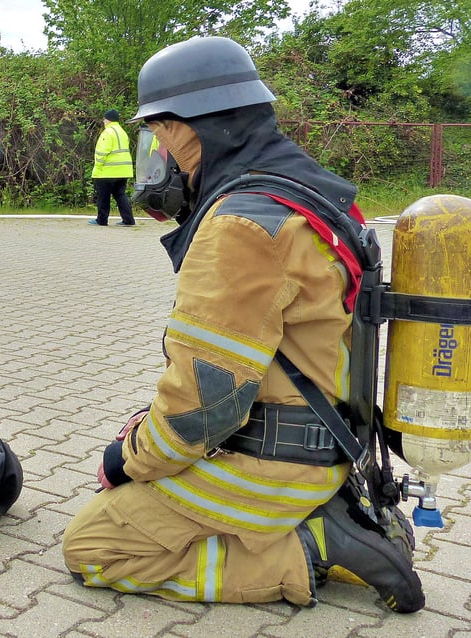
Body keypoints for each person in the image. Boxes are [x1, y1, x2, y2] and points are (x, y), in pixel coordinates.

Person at [62, 37, 424, 614]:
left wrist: (127, 459)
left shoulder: (241, 227)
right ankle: (315, 515)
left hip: (274, 462)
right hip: (329, 442)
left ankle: (312, 547)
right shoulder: (305, 192)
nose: (156, 151)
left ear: (193, 127)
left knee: (96, 545)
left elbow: (202, 411)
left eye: (157, 131)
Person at [88, 109, 135, 226]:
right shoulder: (122, 132)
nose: (103, 121)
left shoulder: (107, 133)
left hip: (107, 171)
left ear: (108, 120)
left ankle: (102, 220)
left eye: (104, 119)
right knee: (120, 195)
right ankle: (128, 220)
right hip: (123, 171)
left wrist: (98, 167)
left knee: (103, 196)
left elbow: (102, 152)